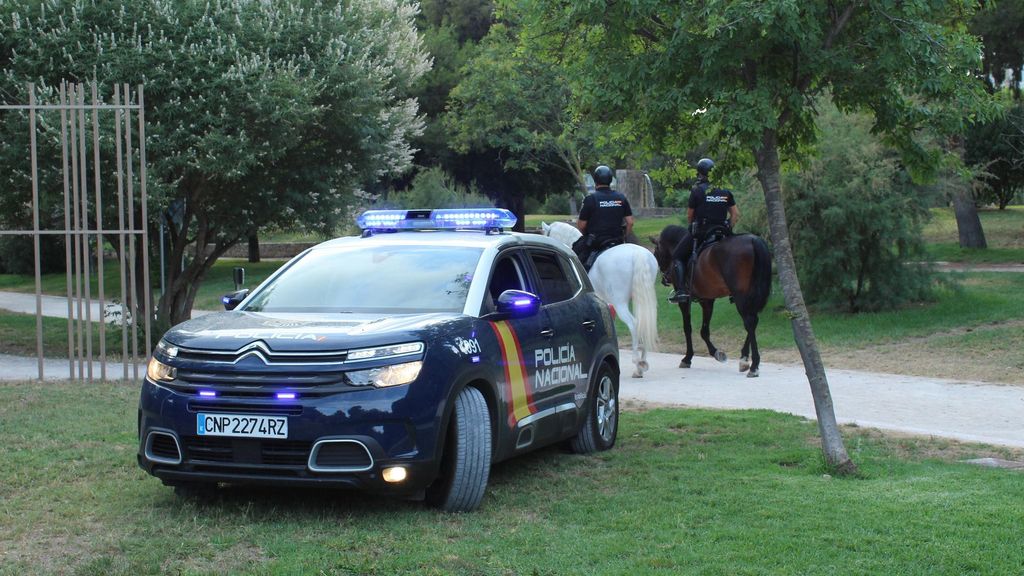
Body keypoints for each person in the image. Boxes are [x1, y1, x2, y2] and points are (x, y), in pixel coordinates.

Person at [667, 158, 740, 303]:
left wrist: (692, 227)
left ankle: (681, 291)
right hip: (722, 231)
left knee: (677, 256)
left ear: (699, 173)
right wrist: (728, 227)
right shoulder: (725, 190)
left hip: (702, 232)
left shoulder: (697, 190)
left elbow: (690, 215)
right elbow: (735, 214)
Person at [575, 165, 634, 270]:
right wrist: (624, 237)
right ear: (610, 180)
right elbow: (630, 222)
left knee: (576, 260)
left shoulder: (590, 199)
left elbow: (581, 225)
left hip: (596, 242)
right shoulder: (621, 198)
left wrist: (587, 235)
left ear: (595, 181)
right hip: (617, 240)